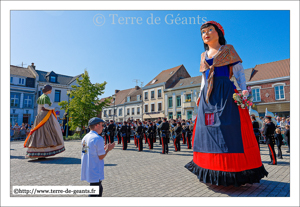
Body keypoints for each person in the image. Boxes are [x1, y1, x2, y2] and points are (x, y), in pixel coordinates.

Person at [185, 21, 268, 186]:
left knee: (228, 128)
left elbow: (239, 73)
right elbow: (204, 78)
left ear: (219, 33)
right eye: (203, 32)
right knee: (206, 129)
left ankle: (233, 170)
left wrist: (244, 91)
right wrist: (200, 96)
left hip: (225, 91)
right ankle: (209, 167)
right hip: (208, 94)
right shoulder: (203, 56)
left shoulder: (228, 50)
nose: (206, 34)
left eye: (210, 30)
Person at [24, 85, 65, 158]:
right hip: (46, 115)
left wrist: (38, 116)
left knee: (39, 131)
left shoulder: (41, 97)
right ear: (48, 90)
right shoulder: (46, 97)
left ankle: (36, 150)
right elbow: (46, 107)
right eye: (50, 90)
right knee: (49, 130)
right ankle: (46, 149)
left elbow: (39, 108)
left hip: (41, 115)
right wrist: (53, 108)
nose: (51, 91)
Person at [81, 117, 115, 197]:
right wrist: (108, 150)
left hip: (88, 168)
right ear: (97, 125)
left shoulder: (85, 137)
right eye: (102, 125)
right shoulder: (98, 138)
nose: (103, 127)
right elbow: (101, 156)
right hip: (95, 169)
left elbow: (86, 151)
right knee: (95, 193)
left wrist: (102, 149)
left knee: (98, 189)